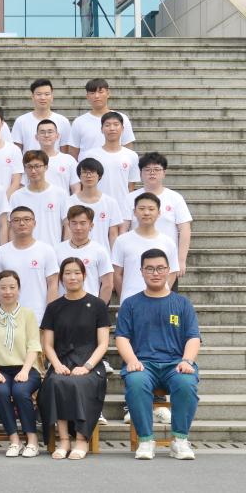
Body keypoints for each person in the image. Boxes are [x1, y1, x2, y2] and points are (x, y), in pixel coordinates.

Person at [116, 249, 200, 460]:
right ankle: (145, 440)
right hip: (143, 364)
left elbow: (193, 337)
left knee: (186, 383)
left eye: (160, 268)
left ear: (169, 270)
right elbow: (122, 338)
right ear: (141, 271)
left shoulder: (182, 304)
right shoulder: (130, 304)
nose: (155, 273)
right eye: (150, 268)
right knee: (135, 382)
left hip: (175, 363)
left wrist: (187, 361)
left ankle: (179, 440)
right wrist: (132, 360)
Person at [39, 256, 109, 460]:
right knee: (56, 382)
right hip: (62, 361)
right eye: (68, 273)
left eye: (77, 273)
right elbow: (47, 344)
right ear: (61, 278)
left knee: (80, 383)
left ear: (84, 275)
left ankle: (81, 439)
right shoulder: (54, 307)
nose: (72, 277)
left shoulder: (97, 305)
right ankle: (63, 440)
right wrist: (57, 365)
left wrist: (87, 366)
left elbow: (103, 343)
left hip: (90, 362)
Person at [0, 270, 42, 457]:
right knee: (1, 391)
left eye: (12, 287)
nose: (7, 292)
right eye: (3, 288)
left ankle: (32, 440)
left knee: (21, 391)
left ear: (19, 289)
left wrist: (25, 370)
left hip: (26, 367)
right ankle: (14, 440)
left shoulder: (28, 314)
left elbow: (33, 345)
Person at [122, 151, 192, 280]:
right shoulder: (130, 198)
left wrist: (181, 260)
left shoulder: (175, 198)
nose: (152, 173)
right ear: (140, 173)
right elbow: (123, 229)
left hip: (166, 262)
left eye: (156, 169)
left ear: (164, 173)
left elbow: (185, 229)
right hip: (136, 259)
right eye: (147, 169)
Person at [0, 207, 59, 323]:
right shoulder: (0, 252)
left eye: (27, 219)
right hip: (9, 318)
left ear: (34, 223)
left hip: (39, 317)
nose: (22, 223)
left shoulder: (46, 250)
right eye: (16, 220)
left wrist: (50, 317)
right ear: (10, 224)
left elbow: (53, 285)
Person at [112, 192, 179, 303]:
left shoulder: (168, 242)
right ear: (134, 212)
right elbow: (117, 274)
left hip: (160, 302)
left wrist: (162, 293)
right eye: (141, 209)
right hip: (130, 301)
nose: (146, 213)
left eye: (151, 209)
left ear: (159, 213)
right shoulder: (122, 240)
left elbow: (172, 273)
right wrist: (124, 298)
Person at [56, 205, 115, 303]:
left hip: (90, 305)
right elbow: (53, 283)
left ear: (91, 225)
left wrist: (99, 308)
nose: (78, 227)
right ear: (69, 225)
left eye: (83, 223)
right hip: (63, 305)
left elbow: (107, 284)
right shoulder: (57, 250)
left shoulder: (99, 250)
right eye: (74, 223)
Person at [64, 157, 122, 254]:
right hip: (76, 255)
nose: (88, 176)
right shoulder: (69, 201)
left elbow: (113, 234)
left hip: (102, 254)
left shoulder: (110, 202)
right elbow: (68, 230)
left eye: (92, 172)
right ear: (79, 176)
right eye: (84, 172)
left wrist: (113, 258)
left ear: (99, 176)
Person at [10, 150, 68, 245]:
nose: (33, 171)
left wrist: (64, 250)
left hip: (53, 250)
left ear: (46, 167)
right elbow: (12, 228)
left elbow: (67, 225)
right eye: (29, 167)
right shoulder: (16, 197)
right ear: (24, 169)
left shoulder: (60, 194)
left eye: (37, 166)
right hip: (24, 250)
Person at [69, 77, 135, 160]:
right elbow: (73, 153)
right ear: (87, 96)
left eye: (100, 92)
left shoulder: (121, 118)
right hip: (88, 167)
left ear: (108, 93)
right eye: (92, 93)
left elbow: (128, 148)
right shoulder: (79, 122)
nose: (97, 96)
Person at [81, 112, 140, 203]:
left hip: (122, 206)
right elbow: (84, 184)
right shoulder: (90, 155)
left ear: (122, 129)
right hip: (97, 205)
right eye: (107, 125)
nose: (112, 128)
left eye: (116, 124)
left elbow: (131, 186)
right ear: (101, 129)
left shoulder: (132, 155)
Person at [11, 79, 72, 152]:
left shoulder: (63, 121)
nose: (43, 98)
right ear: (32, 97)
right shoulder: (21, 121)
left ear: (52, 97)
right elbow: (16, 151)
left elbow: (65, 151)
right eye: (39, 94)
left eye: (47, 94)